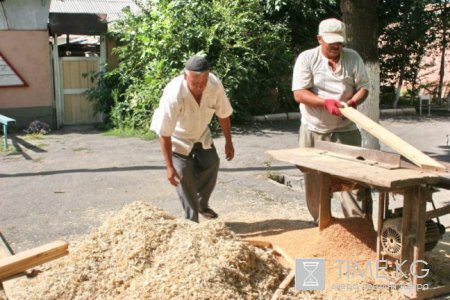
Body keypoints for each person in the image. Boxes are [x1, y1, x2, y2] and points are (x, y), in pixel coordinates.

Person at [291, 18, 371, 222]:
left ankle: (357, 224)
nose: (336, 46)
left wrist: (352, 102)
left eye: (340, 42)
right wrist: (325, 103)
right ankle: (320, 222)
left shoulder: (352, 58)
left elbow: (364, 87)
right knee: (314, 180)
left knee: (351, 180)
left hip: (346, 129)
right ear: (319, 39)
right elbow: (299, 93)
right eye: (331, 42)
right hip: (314, 128)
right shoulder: (307, 58)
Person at [150, 55, 234, 222]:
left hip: (201, 134)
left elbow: (223, 114)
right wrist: (169, 167)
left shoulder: (214, 84)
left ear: (208, 75)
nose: (200, 86)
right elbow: (165, 133)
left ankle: (202, 204)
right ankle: (191, 221)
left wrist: (229, 142)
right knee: (183, 173)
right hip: (177, 138)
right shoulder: (174, 94)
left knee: (212, 162)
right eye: (195, 82)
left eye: (203, 81)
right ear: (185, 75)